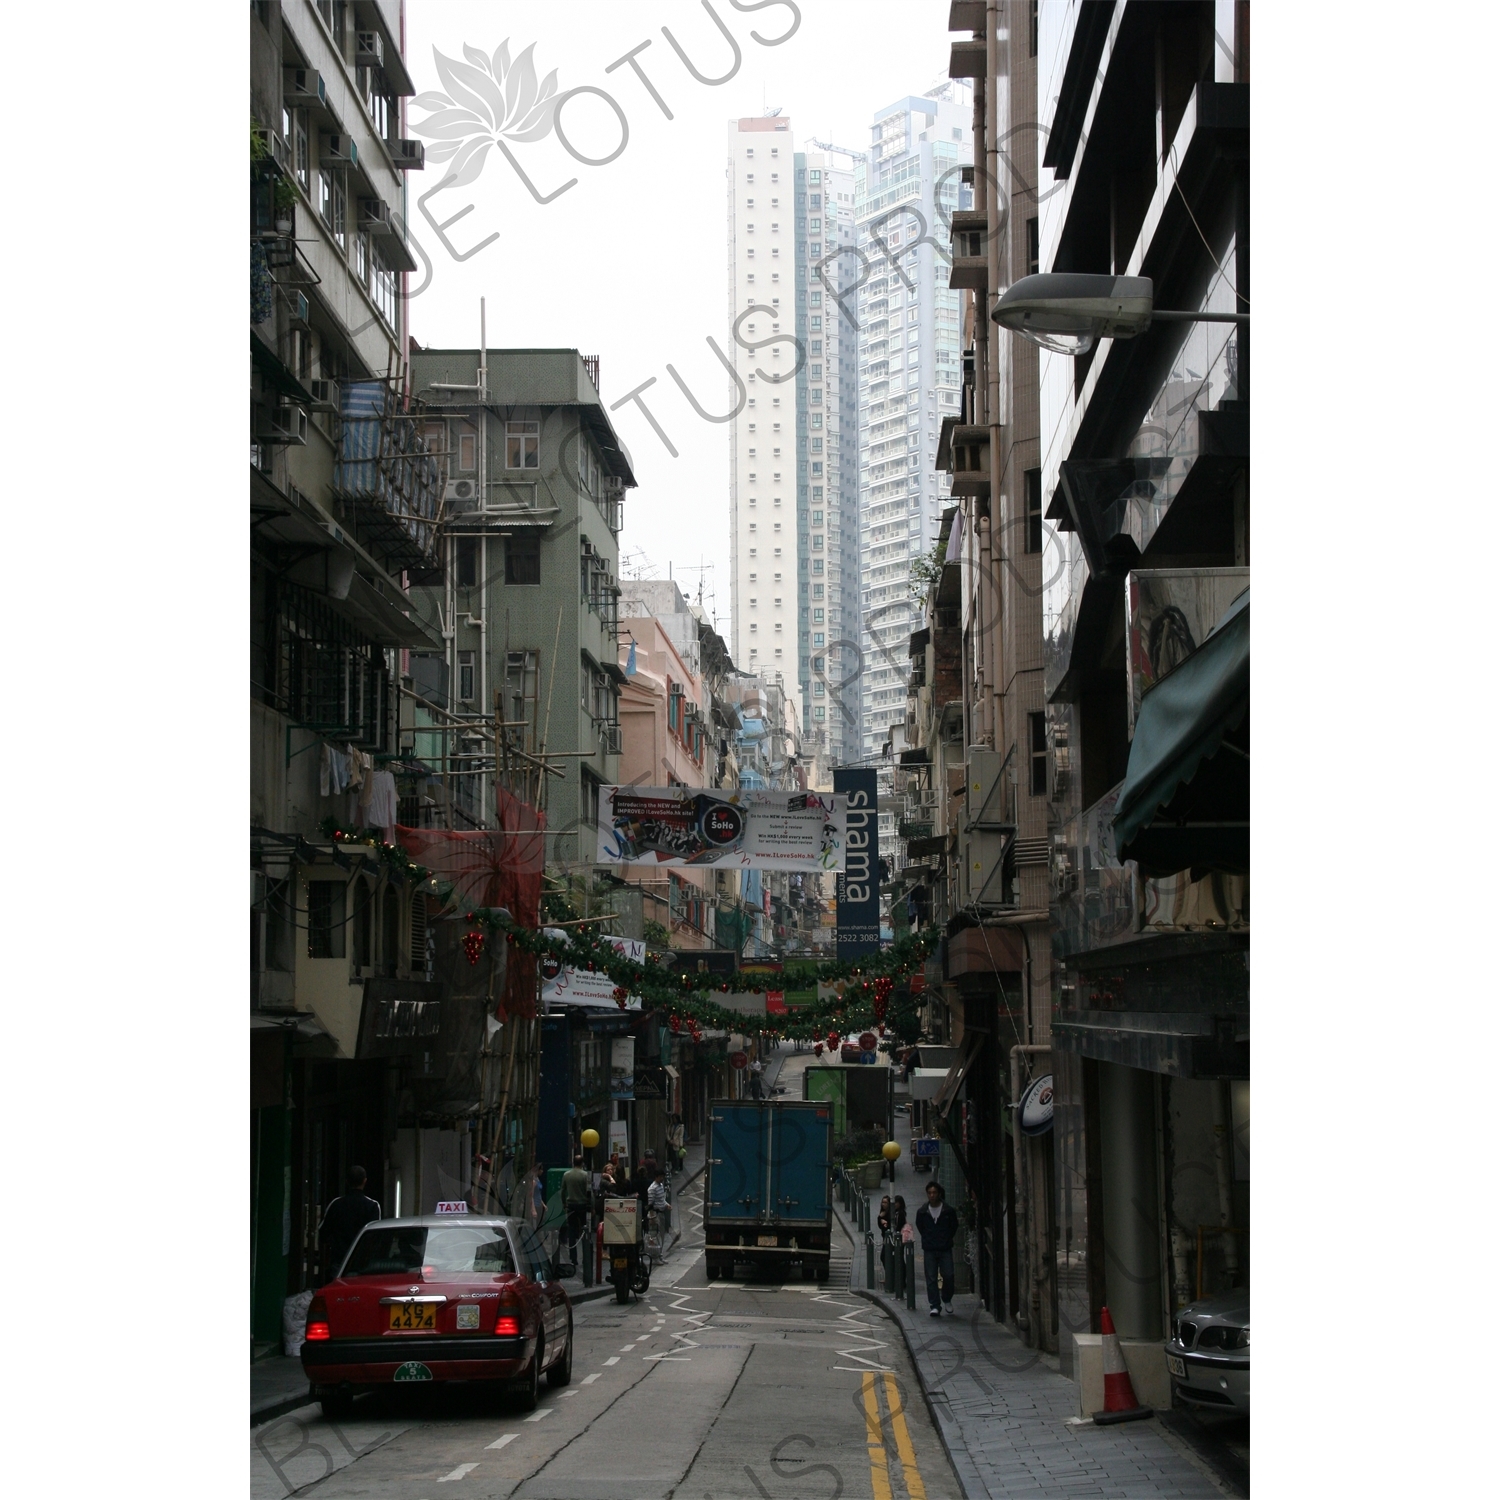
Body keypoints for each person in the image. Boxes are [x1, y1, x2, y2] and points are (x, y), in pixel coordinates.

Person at [319, 1166, 382, 1279]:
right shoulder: (373, 1206)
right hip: (363, 1262)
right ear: (365, 1181)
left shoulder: (336, 1204)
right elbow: (376, 1237)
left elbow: (323, 1232)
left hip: (339, 1260)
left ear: (347, 1181)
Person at [916, 1181, 959, 1316]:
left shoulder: (948, 1211)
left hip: (945, 1247)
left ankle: (946, 1298)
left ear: (939, 1193)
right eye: (929, 1193)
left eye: (934, 1192)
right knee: (931, 1277)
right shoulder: (923, 1212)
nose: (932, 1195)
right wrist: (928, 1238)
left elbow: (954, 1226)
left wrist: (946, 1238)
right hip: (929, 1248)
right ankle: (934, 1305)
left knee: (949, 1274)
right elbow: (920, 1227)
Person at [561, 1153, 591, 1274]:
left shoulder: (566, 1175)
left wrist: (564, 1203)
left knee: (572, 1232)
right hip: (583, 1205)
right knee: (585, 1231)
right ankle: (586, 1257)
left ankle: (573, 1259)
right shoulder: (585, 1175)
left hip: (571, 1205)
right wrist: (591, 1205)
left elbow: (563, 1191)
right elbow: (589, 1191)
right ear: (582, 1163)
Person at [646, 1168, 671, 1255]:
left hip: (661, 1213)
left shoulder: (660, 1185)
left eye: (662, 1177)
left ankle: (660, 1254)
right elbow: (650, 1204)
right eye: (660, 1177)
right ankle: (655, 1256)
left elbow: (662, 1199)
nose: (662, 1178)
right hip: (656, 1215)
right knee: (655, 1236)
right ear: (656, 1177)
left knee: (661, 1235)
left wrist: (667, 1204)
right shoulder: (652, 1188)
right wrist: (652, 1217)